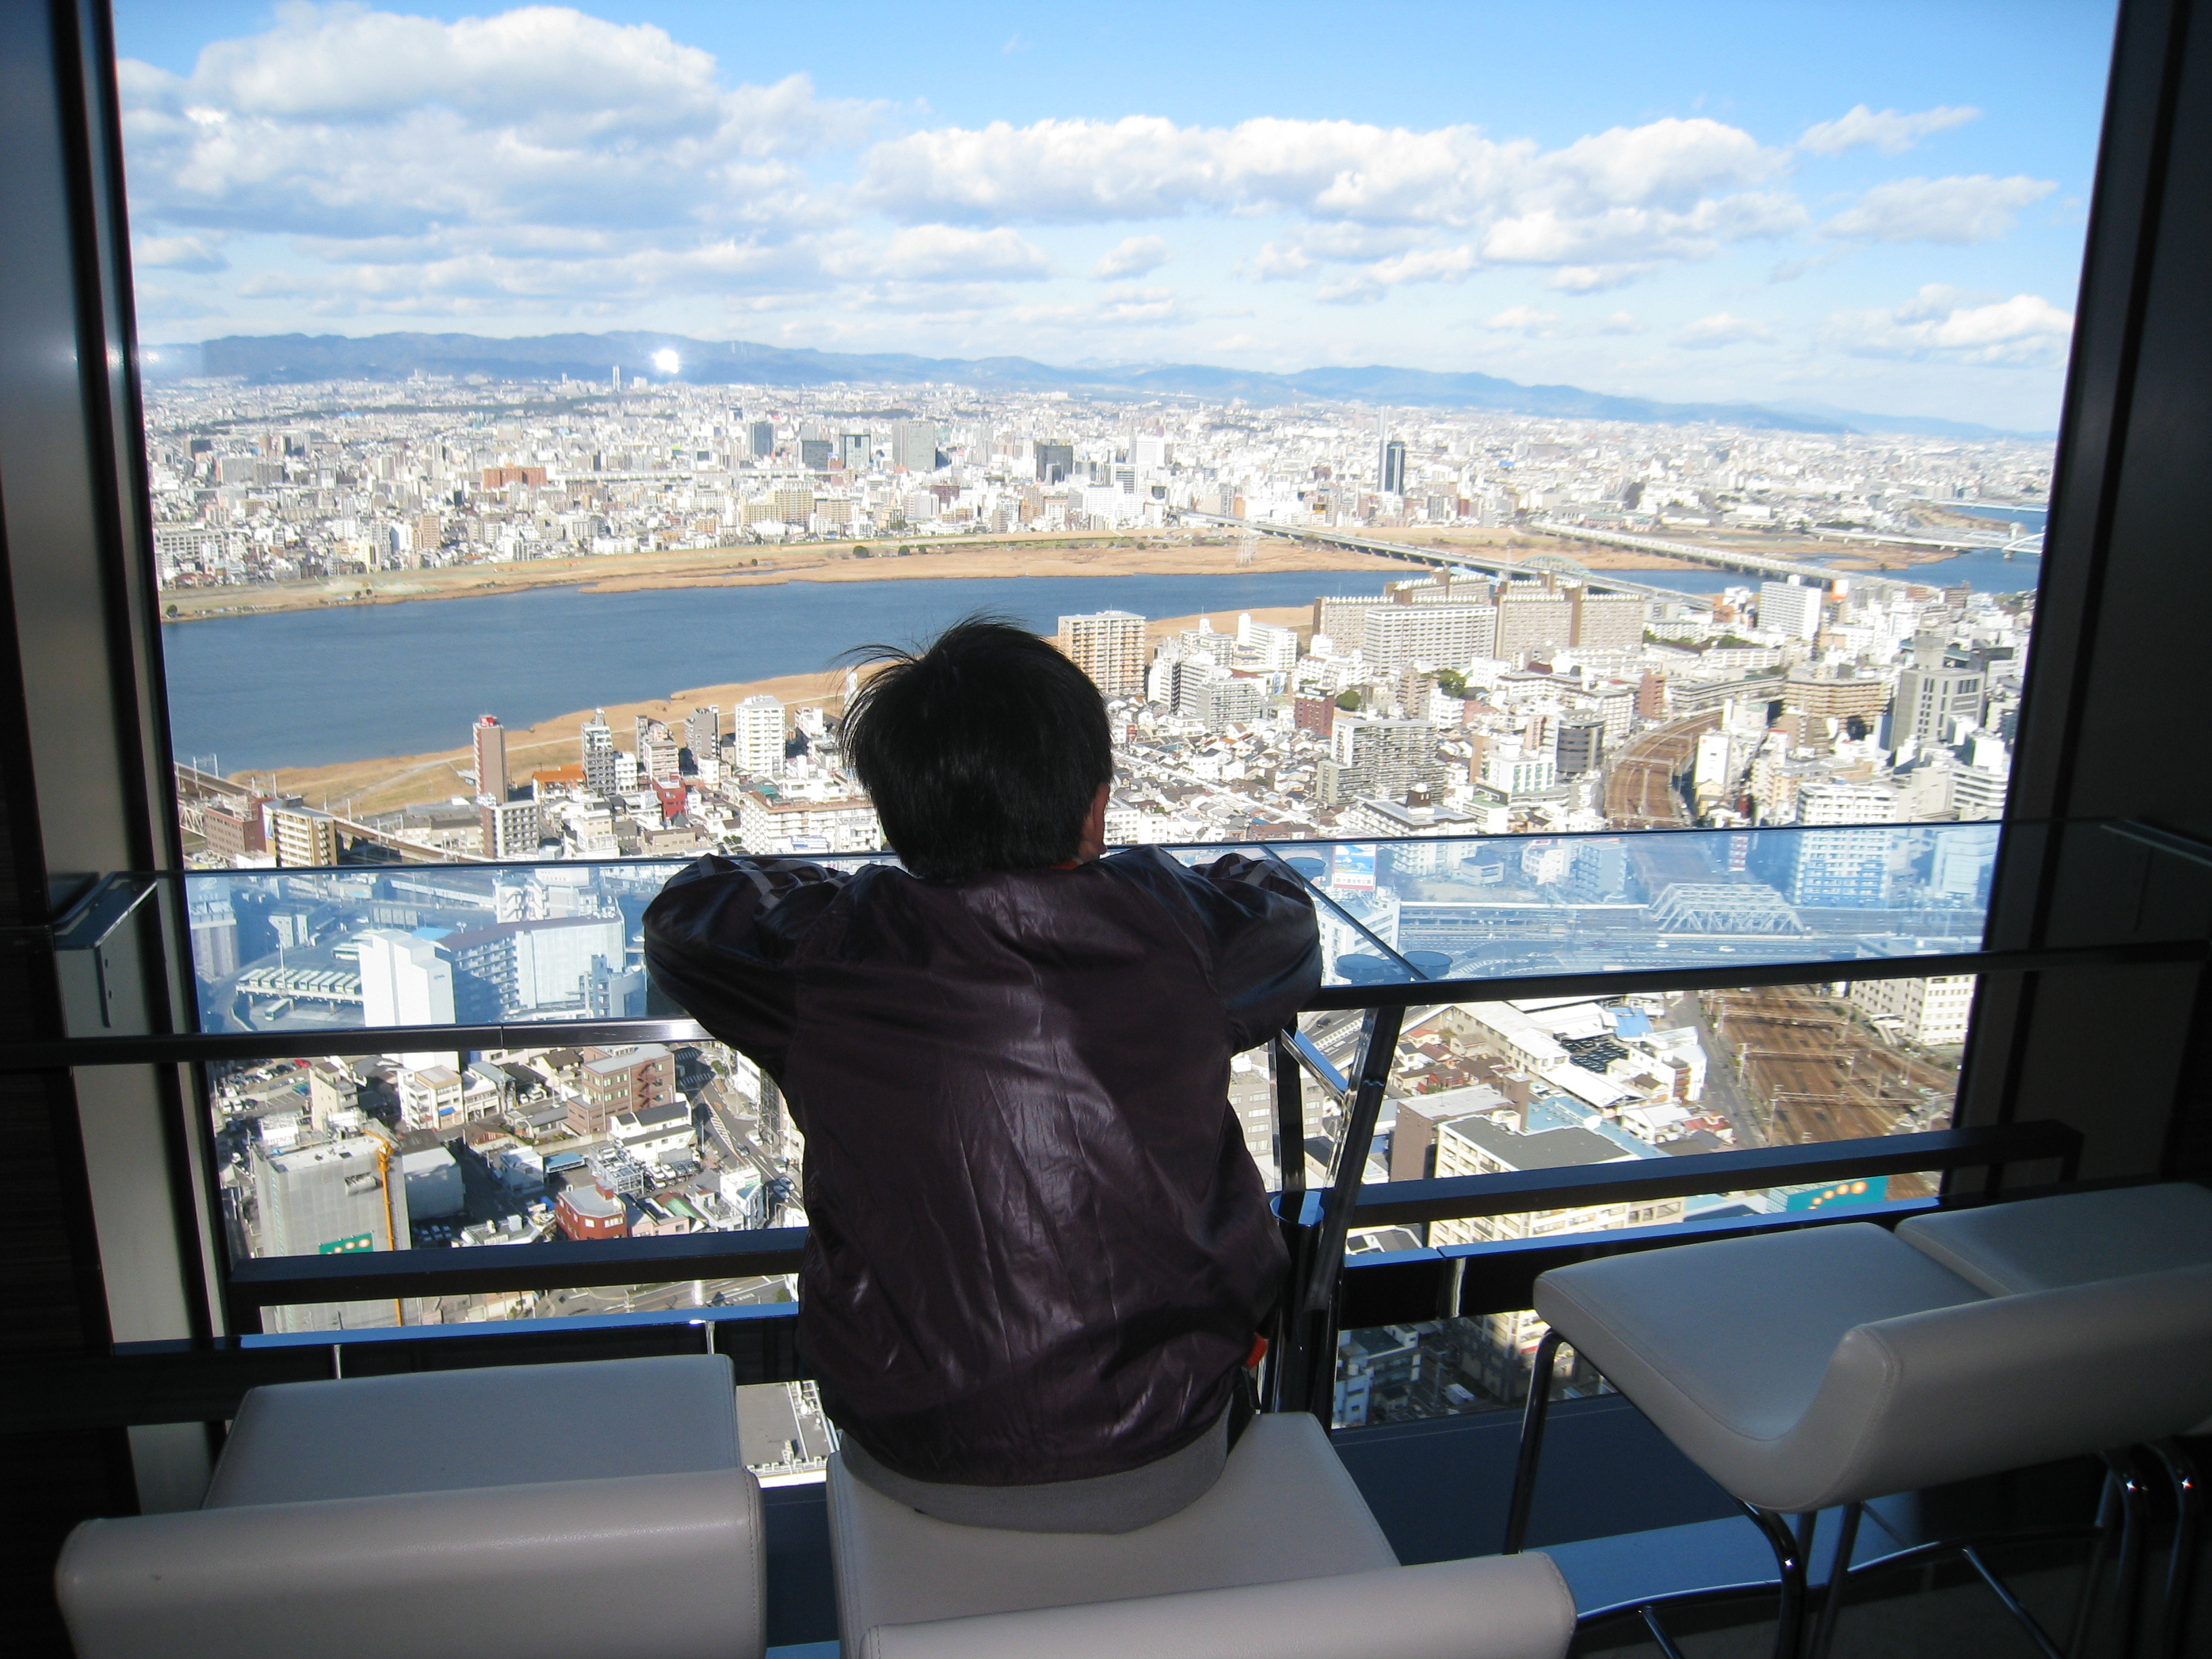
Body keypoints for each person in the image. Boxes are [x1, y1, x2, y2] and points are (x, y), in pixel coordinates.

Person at [642, 615, 1319, 1533]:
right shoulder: (1175, 927)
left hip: (911, 1449)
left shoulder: (833, 950)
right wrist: (1168, 881)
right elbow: (1282, 915)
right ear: (1096, 805)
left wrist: (851, 896)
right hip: (1172, 1438)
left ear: (896, 817)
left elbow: (689, 909)